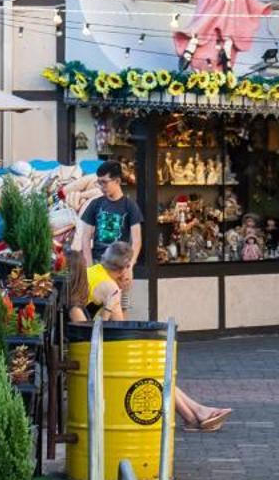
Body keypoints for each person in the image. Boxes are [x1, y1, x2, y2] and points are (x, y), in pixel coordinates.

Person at [68, 242, 230, 430]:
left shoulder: (94, 272)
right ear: (126, 266)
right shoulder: (110, 287)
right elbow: (122, 329)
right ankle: (196, 414)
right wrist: (123, 292)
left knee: (156, 372)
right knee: (152, 371)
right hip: (104, 351)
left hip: (94, 345)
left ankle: (196, 414)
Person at [78, 160, 144, 263]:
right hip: (98, 262)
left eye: (104, 182)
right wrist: (89, 266)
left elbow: (137, 241)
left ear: (117, 181)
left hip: (120, 265)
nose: (101, 186)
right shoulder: (95, 204)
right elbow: (85, 238)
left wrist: (130, 265)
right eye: (99, 182)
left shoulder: (130, 206)